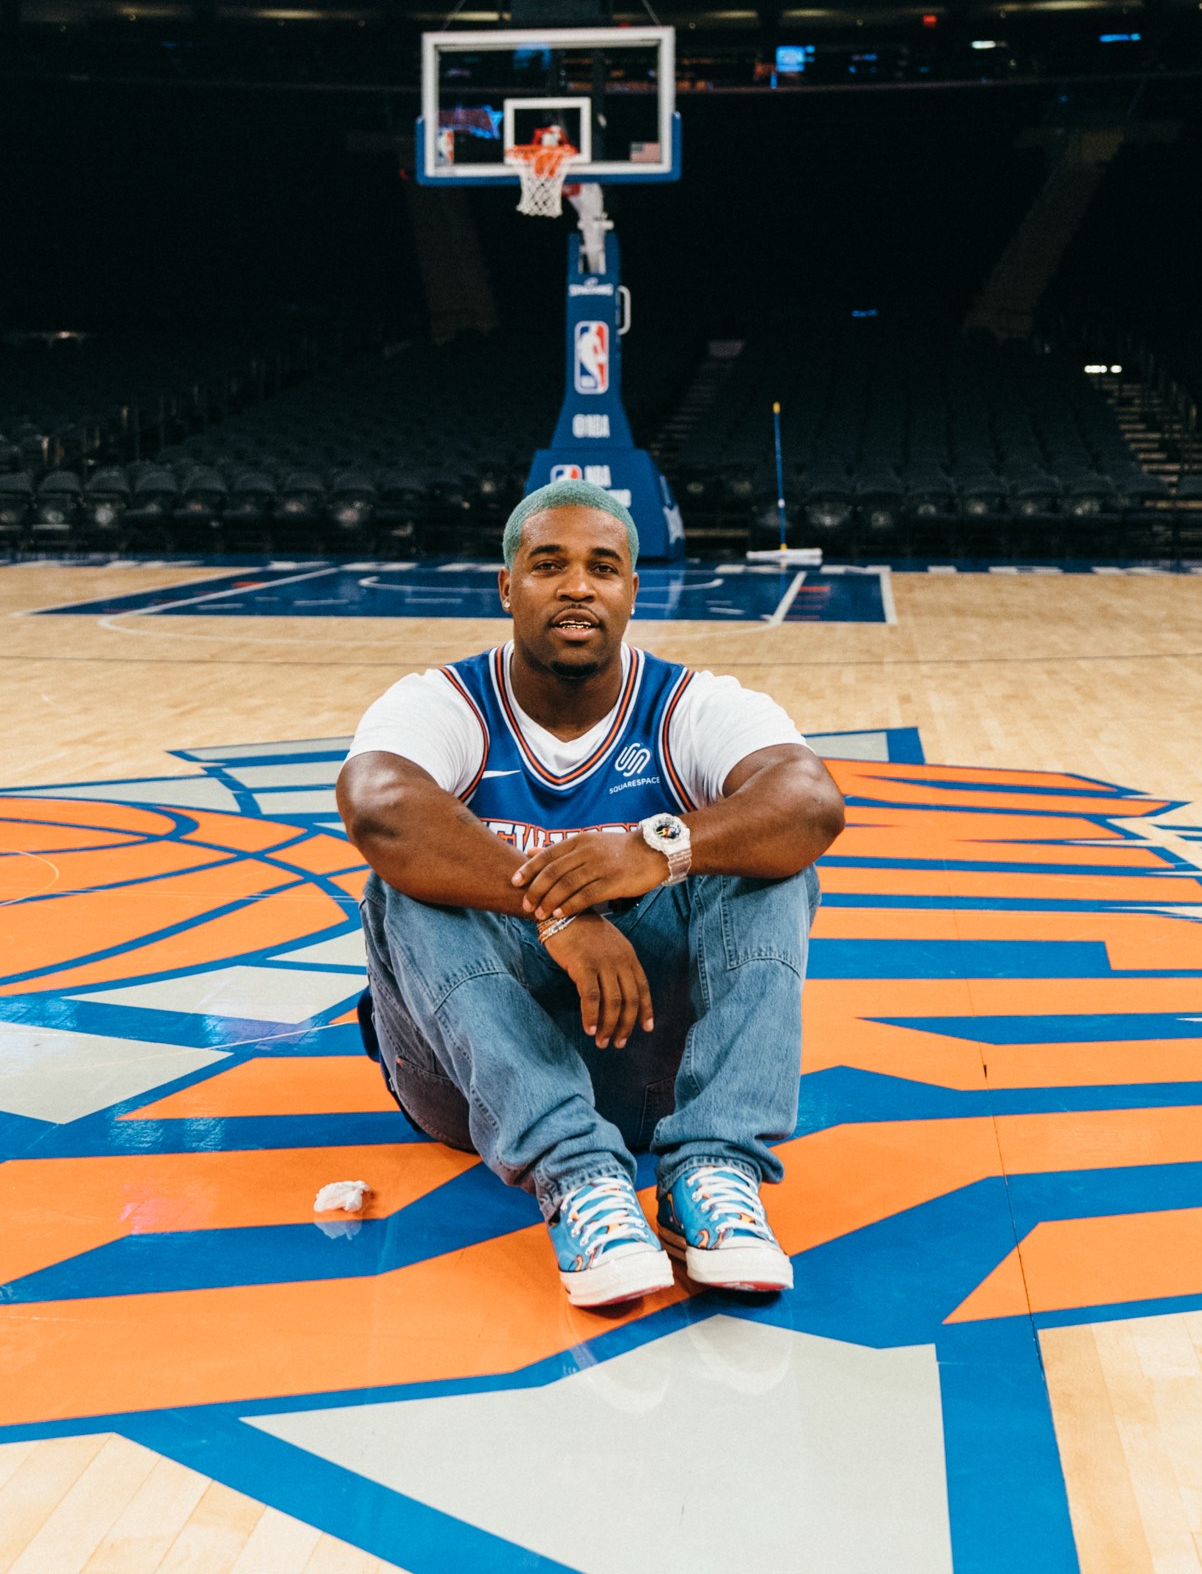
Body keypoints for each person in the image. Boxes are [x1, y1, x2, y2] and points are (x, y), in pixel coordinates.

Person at [338, 477, 845, 1310]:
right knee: (407, 880)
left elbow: (810, 801)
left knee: (768, 858)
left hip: (651, 1073)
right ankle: (578, 1179)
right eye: (549, 565)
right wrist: (560, 910)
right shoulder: (445, 702)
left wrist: (658, 848)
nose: (577, 586)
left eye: (602, 568)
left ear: (632, 591)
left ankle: (714, 1170)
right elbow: (378, 809)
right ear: (508, 586)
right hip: (468, 1088)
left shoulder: (690, 705)